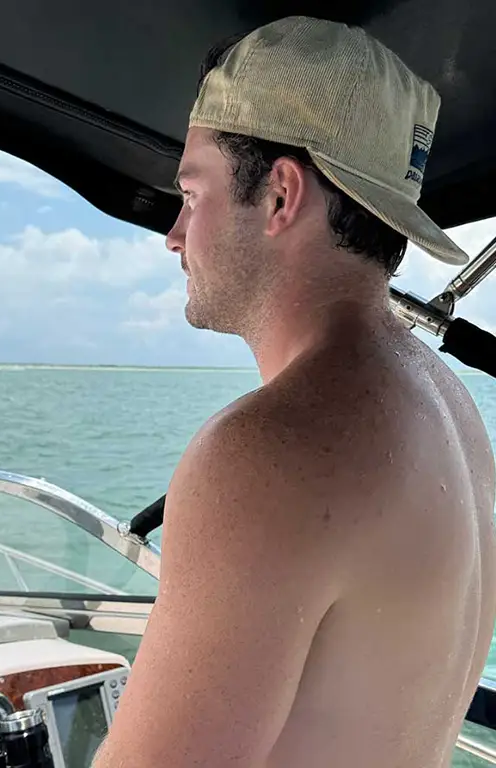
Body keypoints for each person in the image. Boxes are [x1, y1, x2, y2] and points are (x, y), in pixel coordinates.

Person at [93, 15, 496, 768]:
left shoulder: (264, 455)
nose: (174, 236)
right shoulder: (454, 411)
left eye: (191, 192)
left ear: (280, 195)